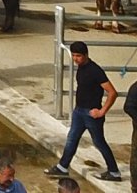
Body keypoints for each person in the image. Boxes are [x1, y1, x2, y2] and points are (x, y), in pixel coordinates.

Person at [47, 41, 121, 181]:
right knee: (72, 138)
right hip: (79, 111)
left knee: (99, 142)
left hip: (92, 115)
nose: (75, 59)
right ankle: (62, 167)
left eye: (79, 56)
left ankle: (114, 172)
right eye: (74, 55)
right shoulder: (80, 68)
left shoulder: (95, 71)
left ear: (86, 55)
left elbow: (112, 92)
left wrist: (102, 111)